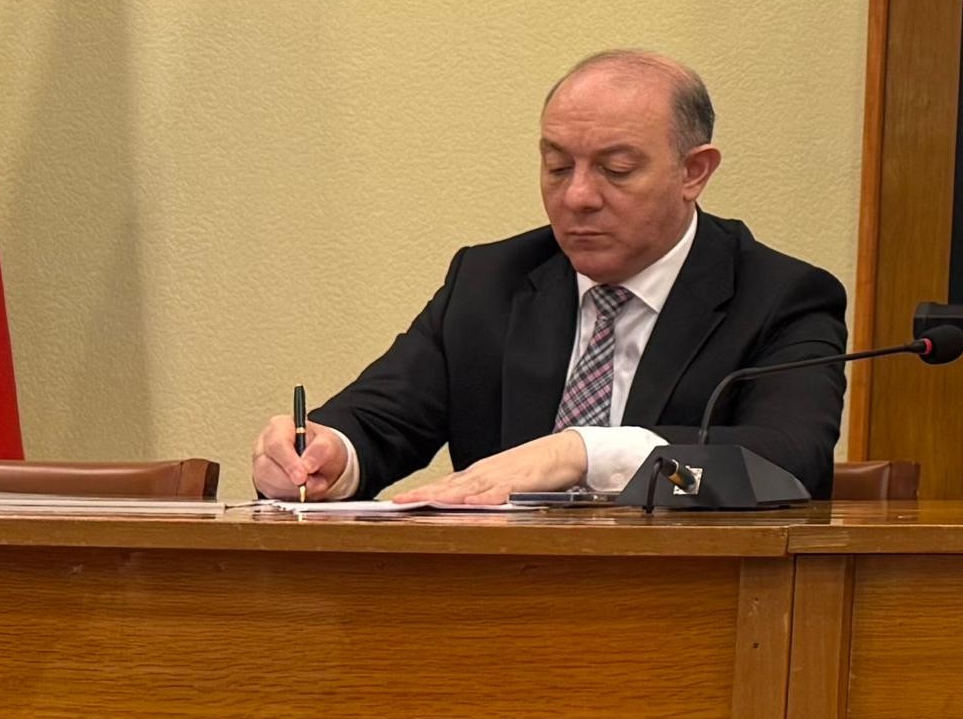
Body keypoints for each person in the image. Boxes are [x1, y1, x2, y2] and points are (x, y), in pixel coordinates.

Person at [253, 49, 850, 503]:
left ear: (694, 173)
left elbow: (786, 466)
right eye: (558, 167)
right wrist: (325, 456)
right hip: (499, 600)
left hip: (685, 606)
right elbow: (379, 420)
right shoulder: (490, 281)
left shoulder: (781, 298)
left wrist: (584, 452)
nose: (578, 196)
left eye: (617, 169)